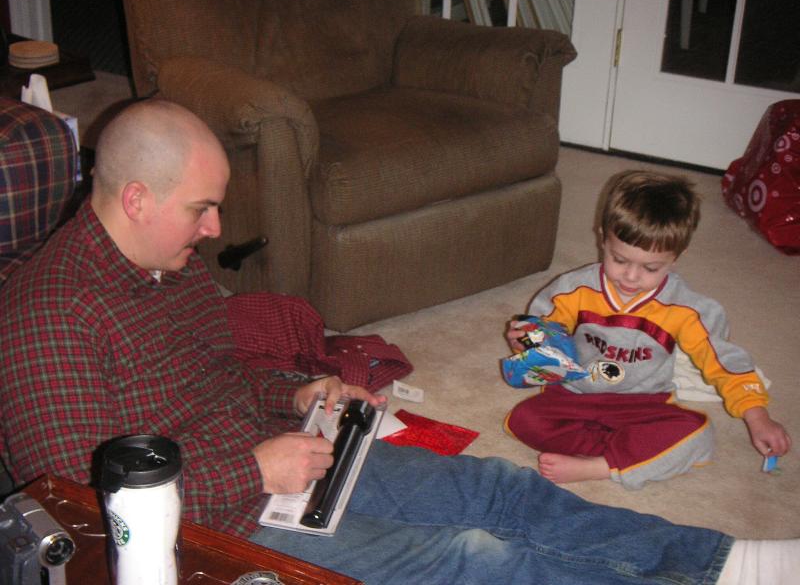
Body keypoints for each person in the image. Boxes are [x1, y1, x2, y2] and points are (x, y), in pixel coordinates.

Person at [0, 101, 796, 585]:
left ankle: (726, 563)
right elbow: (83, 507)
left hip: (276, 463)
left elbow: (221, 371)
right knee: (474, 561)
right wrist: (253, 469)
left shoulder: (166, 261)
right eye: (201, 209)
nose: (215, 229)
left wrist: (297, 392)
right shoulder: (50, 315)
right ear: (138, 198)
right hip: (212, 528)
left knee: (495, 489)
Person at [504, 170, 792, 491]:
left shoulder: (688, 309)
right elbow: (543, 332)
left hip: (642, 404)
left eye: (650, 268)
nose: (630, 277)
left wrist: (757, 417)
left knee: (699, 436)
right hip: (574, 395)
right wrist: (527, 342)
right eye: (619, 259)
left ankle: (602, 466)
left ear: (676, 257)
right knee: (522, 420)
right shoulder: (571, 289)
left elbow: (724, 362)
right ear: (603, 238)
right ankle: (629, 453)